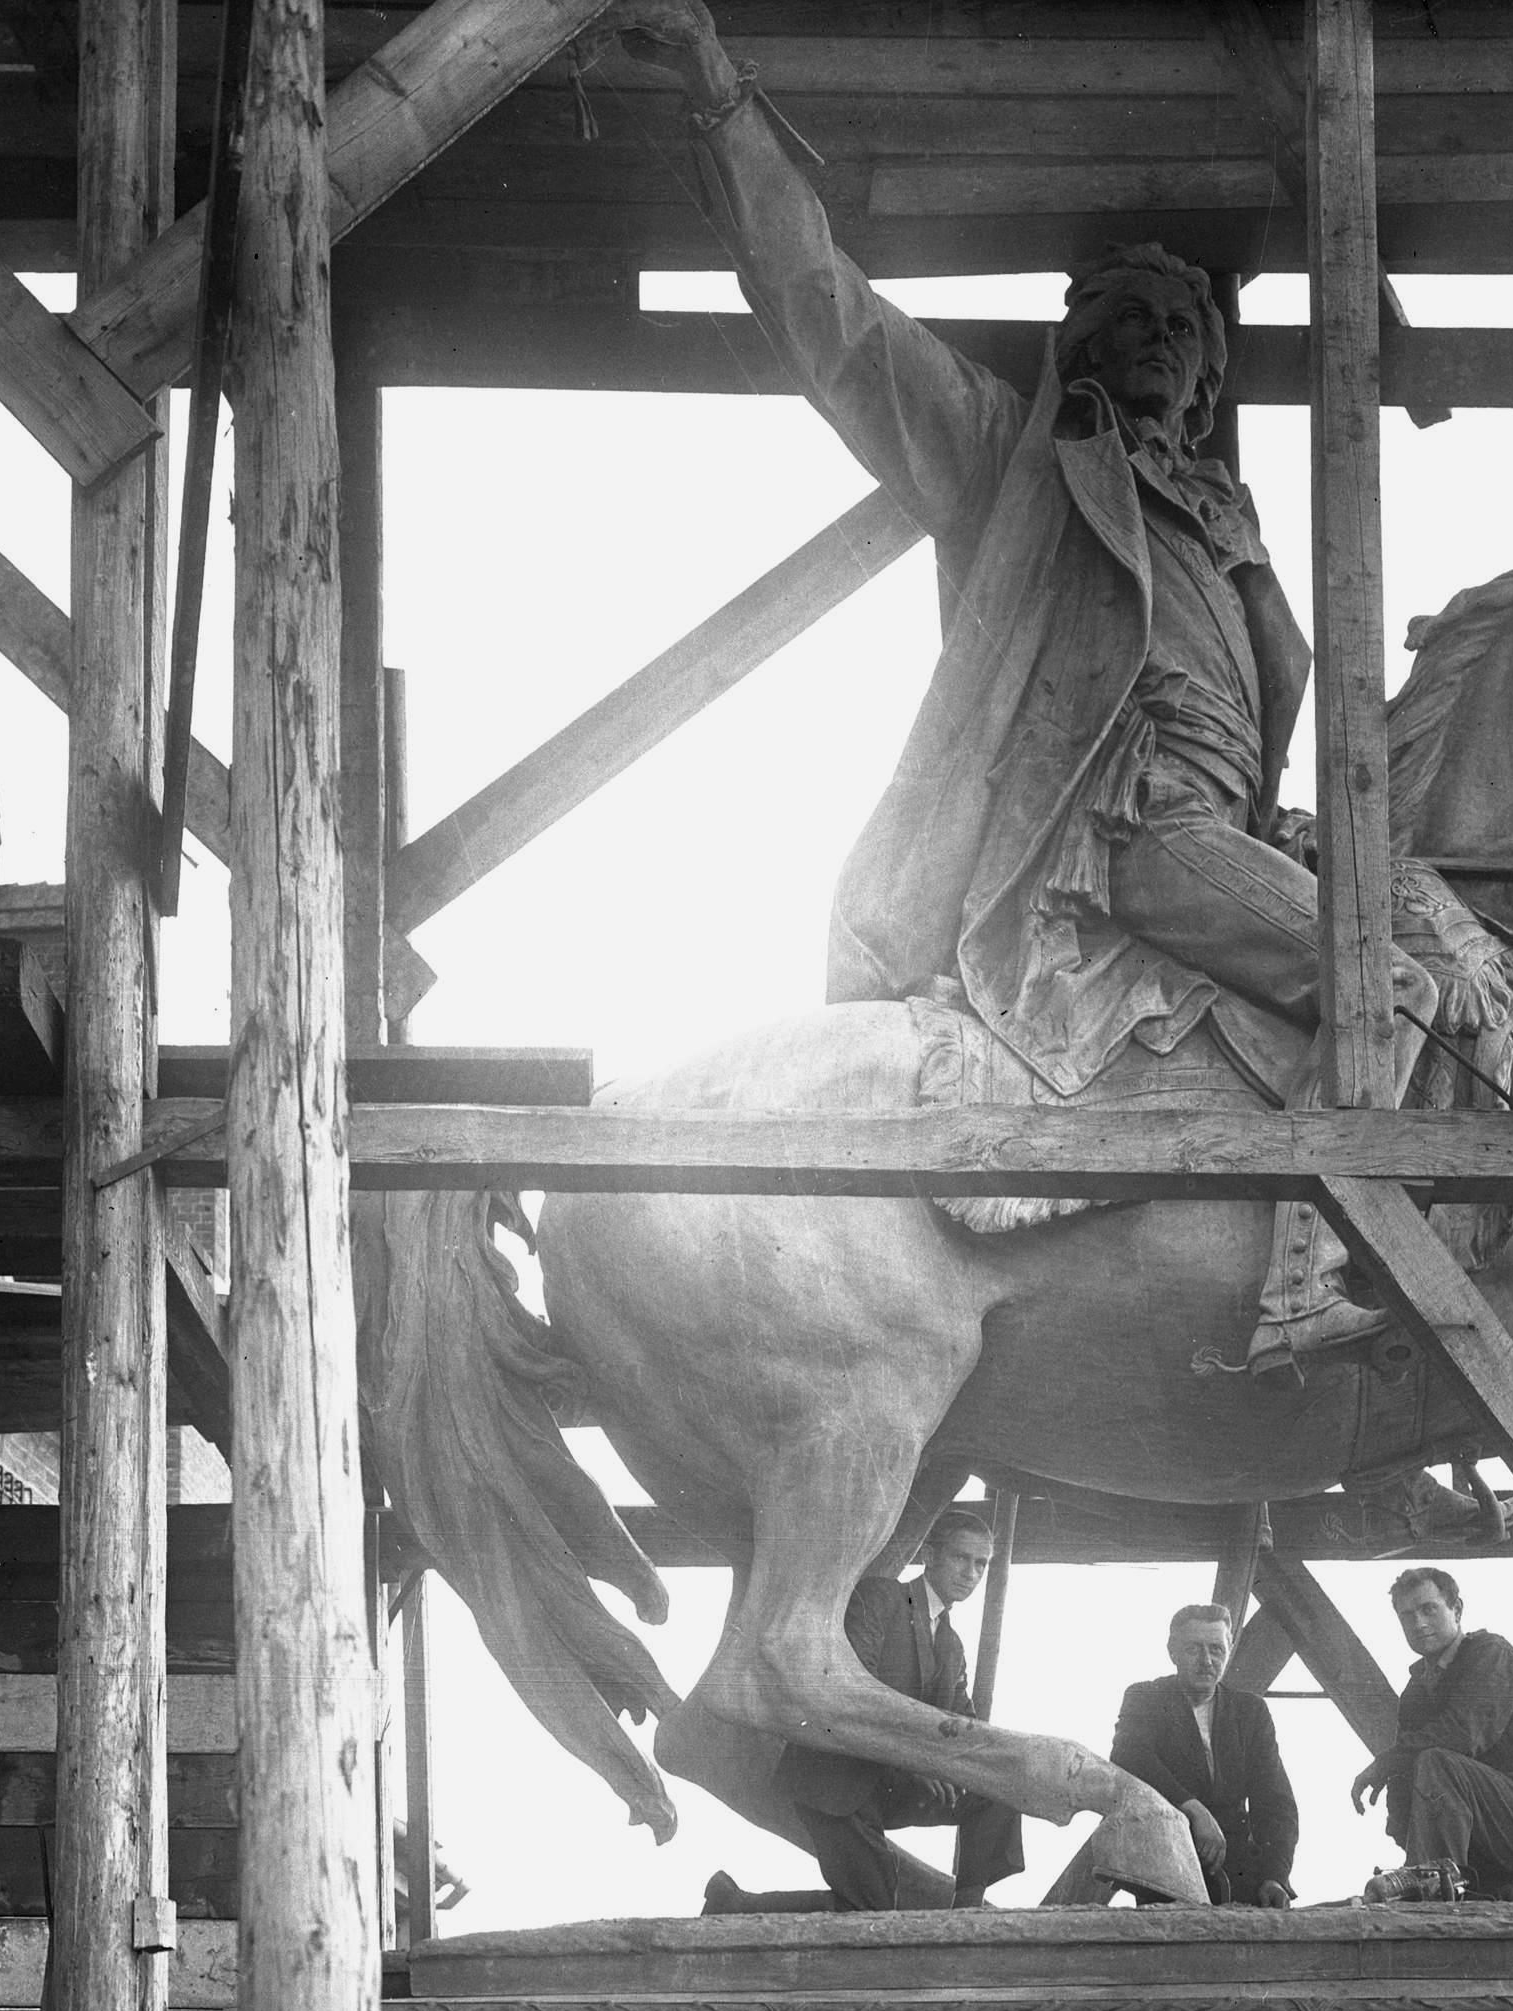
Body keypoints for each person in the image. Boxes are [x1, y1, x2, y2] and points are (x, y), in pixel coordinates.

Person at [619, 0, 1452, 1378]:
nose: (1158, 339)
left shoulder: (1225, 528)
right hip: (1129, 833)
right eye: (1128, 320)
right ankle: (1311, 1282)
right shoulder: (1023, 465)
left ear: (1208, 377)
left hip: (1225, 827)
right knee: (1388, 987)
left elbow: (1270, 710)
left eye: (1181, 326)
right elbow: (839, 327)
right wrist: (721, 101)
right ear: (1082, 350)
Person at [772, 1504, 1025, 1910]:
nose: (971, 1573)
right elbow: (855, 1695)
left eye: (981, 1564)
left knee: (999, 1784)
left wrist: (1011, 1764)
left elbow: (965, 1727)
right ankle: (732, 1904)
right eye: (961, 1558)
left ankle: (967, 1912)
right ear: (930, 1555)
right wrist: (918, 1763)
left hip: (893, 1782)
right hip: (837, 1778)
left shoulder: (952, 1646)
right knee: (871, 1909)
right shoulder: (880, 1598)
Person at [1353, 1568, 1513, 1902]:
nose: (1419, 1623)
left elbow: (1463, 1732)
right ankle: (1441, 1881)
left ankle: (1432, 1880)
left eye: (1429, 1609)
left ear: (1456, 1609)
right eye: (1407, 1616)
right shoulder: (1415, 1693)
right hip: (1481, 1848)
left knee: (1436, 1761)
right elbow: (1404, 1788)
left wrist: (1386, 1762)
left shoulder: (1491, 1653)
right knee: (1421, 1773)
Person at [1108, 1603, 1298, 1906]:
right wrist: (1193, 1809)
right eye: (1194, 1649)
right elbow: (1128, 1756)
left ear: (1229, 1651)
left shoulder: (1250, 1712)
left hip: (1237, 1873)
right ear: (1172, 1652)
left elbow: (1275, 1802)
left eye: (1216, 1649)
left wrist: (1275, 1876)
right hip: (1167, 1865)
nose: (1206, 1661)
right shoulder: (1145, 1698)